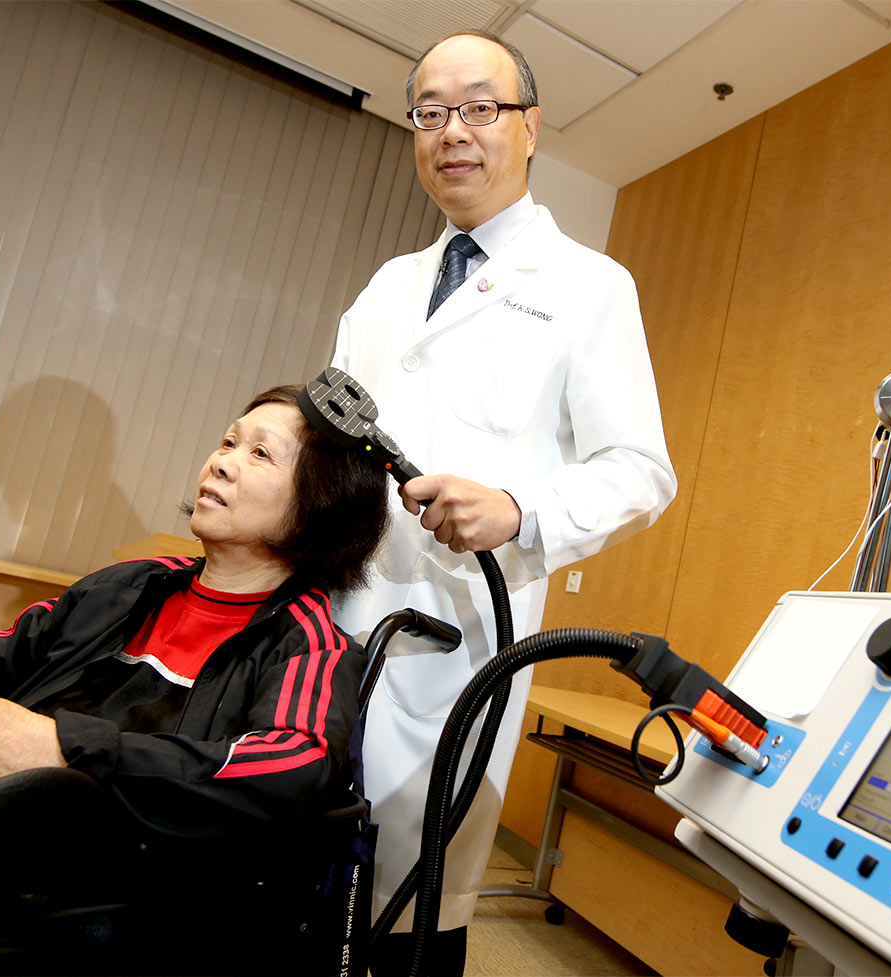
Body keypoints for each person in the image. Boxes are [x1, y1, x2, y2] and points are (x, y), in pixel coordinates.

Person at [0, 385, 390, 970]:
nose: (221, 461)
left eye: (260, 454)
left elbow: (288, 767)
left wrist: (52, 746)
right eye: (227, 441)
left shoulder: (309, 644)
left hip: (114, 906)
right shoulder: (126, 587)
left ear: (321, 504)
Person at [331, 29, 677, 973]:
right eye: (431, 112)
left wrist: (519, 510)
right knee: (313, 892)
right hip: (334, 633)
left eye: (480, 107)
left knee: (412, 916)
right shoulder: (387, 288)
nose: (454, 132)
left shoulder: (589, 287)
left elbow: (641, 468)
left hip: (458, 648)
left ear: (530, 127)